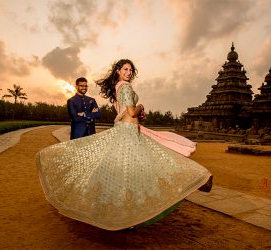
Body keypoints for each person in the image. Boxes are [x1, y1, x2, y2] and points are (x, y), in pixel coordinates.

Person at [36, 59, 212, 231]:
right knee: (155, 161)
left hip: (124, 128)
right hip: (128, 132)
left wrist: (136, 115)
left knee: (124, 172)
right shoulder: (126, 87)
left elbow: (123, 112)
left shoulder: (117, 88)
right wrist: (140, 107)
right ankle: (200, 179)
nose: (128, 73)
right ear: (118, 71)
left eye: (130, 70)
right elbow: (130, 111)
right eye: (125, 69)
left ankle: (123, 214)